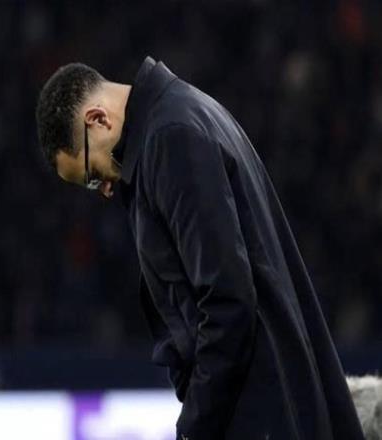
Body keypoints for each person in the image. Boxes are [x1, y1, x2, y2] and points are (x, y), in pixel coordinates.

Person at [35, 56, 365, 440]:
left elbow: (227, 303)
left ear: (98, 119)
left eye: (93, 176)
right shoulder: (186, 112)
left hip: (261, 414)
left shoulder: (171, 137)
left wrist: (194, 428)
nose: (106, 190)